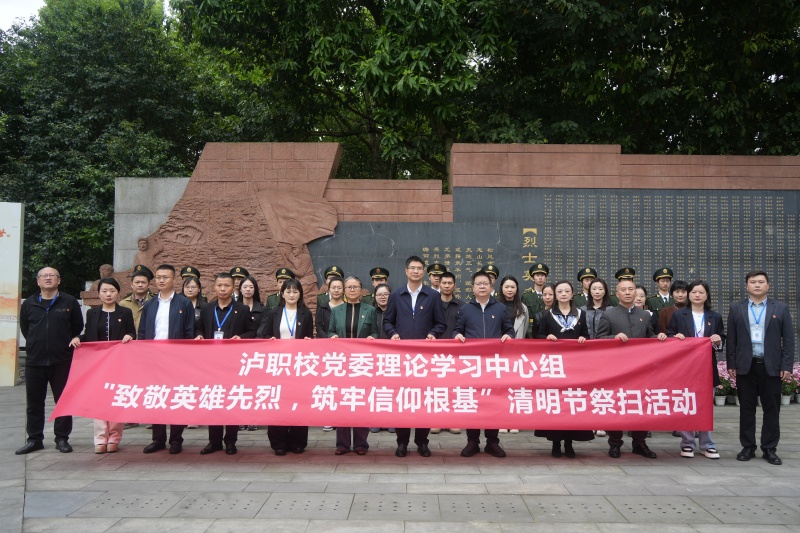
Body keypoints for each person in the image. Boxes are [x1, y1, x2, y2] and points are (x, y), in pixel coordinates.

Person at [727, 270, 795, 466]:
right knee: (746, 409)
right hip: (746, 365)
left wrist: (786, 365)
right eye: (753, 282)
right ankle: (748, 446)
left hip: (771, 366)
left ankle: (769, 448)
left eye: (761, 282)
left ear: (768, 285)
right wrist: (732, 363)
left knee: (771, 409)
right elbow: (732, 339)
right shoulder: (736, 308)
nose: (757, 285)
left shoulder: (780, 308)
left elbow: (788, 340)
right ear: (746, 286)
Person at [596, 277, 667, 459]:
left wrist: (658, 337)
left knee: (641, 405)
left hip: (641, 370)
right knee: (616, 405)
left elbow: (650, 336)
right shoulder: (609, 314)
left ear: (636, 292)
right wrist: (613, 337)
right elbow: (598, 339)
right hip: (617, 370)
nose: (628, 293)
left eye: (631, 289)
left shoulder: (645, 315)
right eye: (624, 290)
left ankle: (639, 443)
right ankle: (615, 444)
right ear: (617, 294)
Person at [16, 267, 84, 455]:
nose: (47, 278)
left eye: (51, 275)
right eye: (44, 276)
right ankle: (34, 439)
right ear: (38, 281)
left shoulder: (69, 302)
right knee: (34, 403)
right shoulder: (29, 303)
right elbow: (26, 328)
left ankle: (62, 438)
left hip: (62, 360)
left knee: (63, 401)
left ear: (59, 280)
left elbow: (77, 327)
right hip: (35, 361)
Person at [383, 255, 446, 457]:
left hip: (424, 358)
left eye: (419, 268)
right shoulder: (396, 295)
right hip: (401, 357)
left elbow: (441, 323)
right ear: (406, 271)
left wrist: (433, 334)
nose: (416, 271)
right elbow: (387, 321)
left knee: (423, 400)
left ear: (424, 271)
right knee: (403, 399)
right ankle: (402, 442)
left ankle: (422, 442)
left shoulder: (432, 296)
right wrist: (393, 334)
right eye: (412, 268)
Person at [70, 278, 136, 454]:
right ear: (99, 293)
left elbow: (132, 332)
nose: (108, 294)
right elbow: (88, 334)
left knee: (116, 399)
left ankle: (114, 437)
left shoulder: (125, 312)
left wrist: (129, 336)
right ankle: (100, 438)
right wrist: (78, 339)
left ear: (118, 293)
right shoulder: (92, 313)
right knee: (98, 400)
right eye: (105, 291)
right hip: (97, 365)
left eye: (112, 291)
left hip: (118, 364)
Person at [453, 270, 514, 458]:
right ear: (472, 288)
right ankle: (472, 441)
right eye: (478, 283)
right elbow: (457, 330)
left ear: (491, 286)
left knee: (493, 402)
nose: (481, 286)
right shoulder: (465, 309)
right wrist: (457, 335)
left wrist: (508, 336)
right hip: (472, 364)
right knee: (472, 401)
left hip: (494, 364)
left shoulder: (500, 308)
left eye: (485, 283)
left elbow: (509, 330)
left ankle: (492, 442)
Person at [195, 273, 256, 455]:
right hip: (211, 363)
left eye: (226, 286)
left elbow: (252, 331)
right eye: (219, 285)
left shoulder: (242, 309)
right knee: (214, 400)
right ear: (214, 287)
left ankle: (230, 441)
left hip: (233, 363)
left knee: (230, 401)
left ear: (233, 287)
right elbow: (199, 327)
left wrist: (241, 337)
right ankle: (214, 442)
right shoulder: (207, 309)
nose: (223, 289)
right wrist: (199, 335)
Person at [138, 264, 196, 455]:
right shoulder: (150, 304)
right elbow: (143, 332)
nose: (161, 280)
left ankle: (176, 439)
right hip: (154, 359)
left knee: (176, 397)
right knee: (157, 397)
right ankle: (158, 439)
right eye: (158, 277)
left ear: (174, 280)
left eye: (165, 277)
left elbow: (189, 332)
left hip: (176, 359)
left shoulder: (184, 303)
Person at [535, 280, 593, 458]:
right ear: (555, 295)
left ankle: (569, 443)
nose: (563, 294)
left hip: (575, 366)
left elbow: (586, 335)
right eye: (559, 291)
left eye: (567, 291)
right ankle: (555, 442)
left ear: (572, 293)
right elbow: (539, 335)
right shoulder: (548, 315)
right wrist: (547, 337)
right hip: (555, 366)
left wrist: (583, 339)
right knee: (557, 403)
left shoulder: (581, 314)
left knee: (571, 402)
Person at [667, 280, 724, 459]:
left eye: (701, 292)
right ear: (688, 295)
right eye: (694, 292)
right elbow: (669, 335)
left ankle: (707, 444)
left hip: (707, 368)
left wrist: (718, 340)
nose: (697, 295)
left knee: (706, 406)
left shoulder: (715, 316)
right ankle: (687, 443)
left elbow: (722, 339)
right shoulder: (679, 315)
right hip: (685, 368)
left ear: (707, 295)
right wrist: (675, 338)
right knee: (686, 404)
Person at [259, 278, 315, 455]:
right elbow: (265, 334)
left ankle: (298, 442)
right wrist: (270, 340)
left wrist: (309, 341)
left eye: (295, 291)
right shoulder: (274, 313)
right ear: (282, 294)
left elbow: (309, 337)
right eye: (288, 291)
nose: (292, 295)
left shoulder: (306, 314)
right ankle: (278, 443)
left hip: (298, 365)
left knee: (298, 401)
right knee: (278, 401)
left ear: (300, 294)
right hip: (278, 364)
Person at [328, 276, 379, 455]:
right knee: (343, 401)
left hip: (362, 363)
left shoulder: (370, 310)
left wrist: (372, 337)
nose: (351, 290)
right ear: (344, 290)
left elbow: (375, 332)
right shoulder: (337, 310)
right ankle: (342, 444)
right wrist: (333, 336)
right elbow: (330, 331)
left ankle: (361, 444)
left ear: (361, 289)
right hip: (342, 363)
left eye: (355, 287)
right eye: (348, 287)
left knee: (360, 401)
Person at [432, 271, 462, 436]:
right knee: (437, 388)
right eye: (444, 283)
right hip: (434, 352)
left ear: (454, 285)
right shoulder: (431, 304)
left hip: (455, 353)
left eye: (450, 283)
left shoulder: (462, 306)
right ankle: (437, 420)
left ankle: (453, 421)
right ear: (439, 284)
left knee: (454, 387)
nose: (447, 286)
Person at [369, 283, 395, 434]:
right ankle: (376, 420)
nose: (383, 297)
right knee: (376, 388)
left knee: (391, 388)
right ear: (375, 297)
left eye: (386, 294)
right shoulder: (371, 311)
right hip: (374, 355)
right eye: (379, 294)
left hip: (393, 355)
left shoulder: (397, 311)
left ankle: (391, 420)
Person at [118, 264, 154, 332]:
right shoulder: (123, 304)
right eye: (137, 282)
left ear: (148, 285)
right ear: (132, 284)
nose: (140, 285)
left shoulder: (154, 302)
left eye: (143, 282)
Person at [522, 263, 549, 337]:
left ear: (545, 278)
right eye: (537, 275)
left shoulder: (551, 295)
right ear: (533, 278)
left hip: (547, 329)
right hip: (530, 330)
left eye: (542, 275)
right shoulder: (526, 296)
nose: (540, 278)